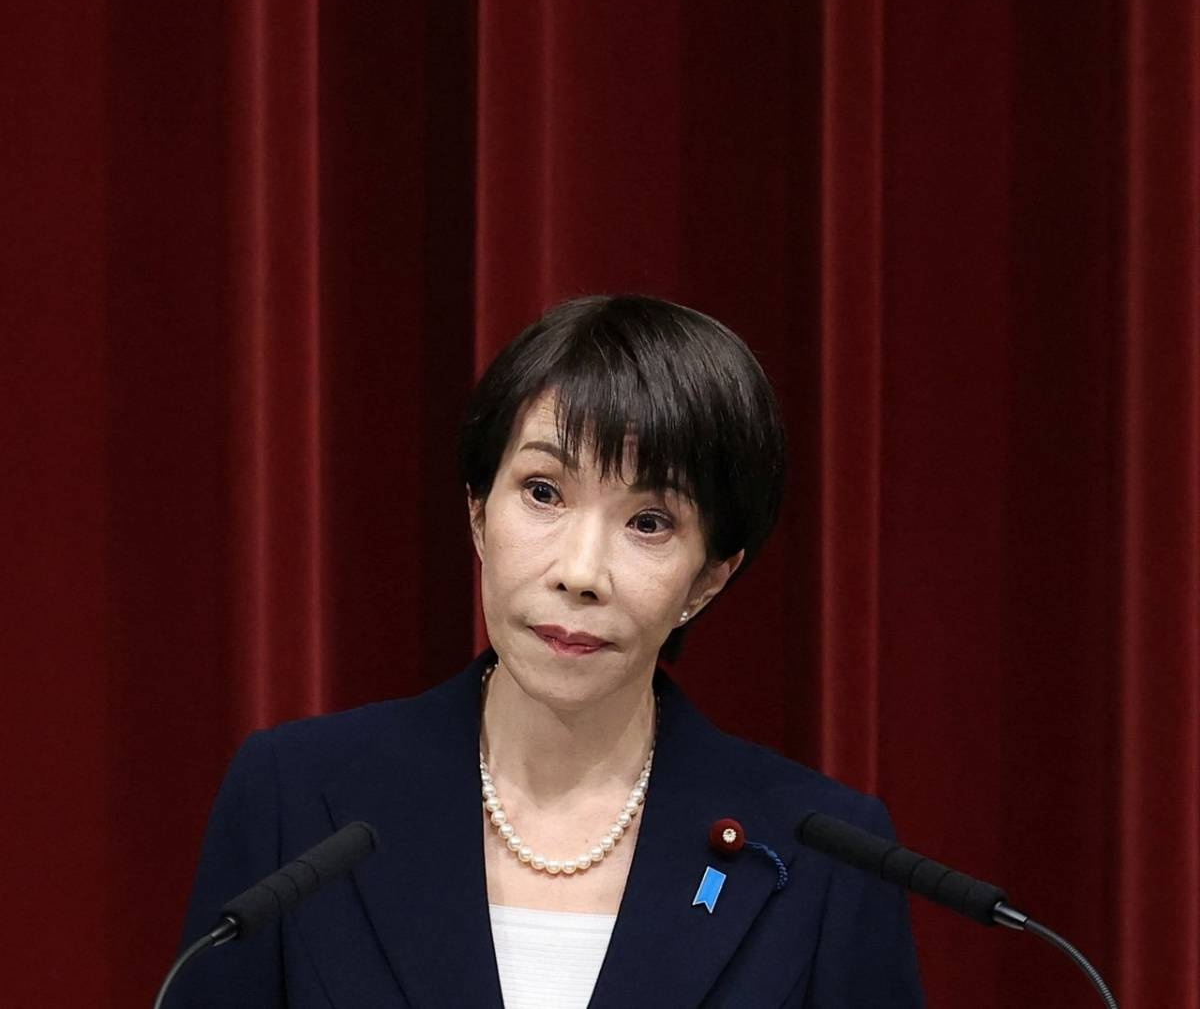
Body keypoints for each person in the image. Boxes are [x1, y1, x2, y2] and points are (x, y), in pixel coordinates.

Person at [174, 294, 924, 1007]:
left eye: (650, 522)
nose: (580, 572)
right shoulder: (296, 798)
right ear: (478, 513)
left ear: (708, 579)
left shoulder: (823, 854)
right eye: (543, 491)